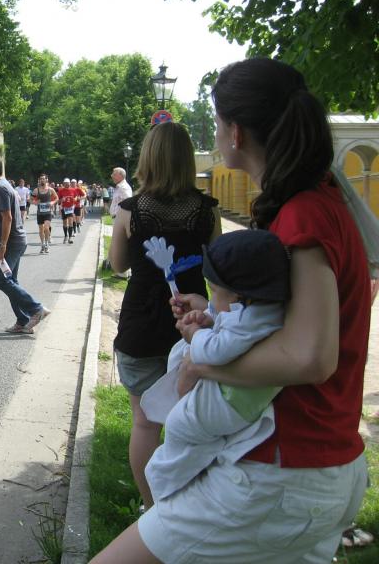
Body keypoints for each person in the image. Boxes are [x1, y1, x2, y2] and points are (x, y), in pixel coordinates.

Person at [93, 58, 371, 564]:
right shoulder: (319, 201)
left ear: (235, 132)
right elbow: (290, 327)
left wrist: (203, 361)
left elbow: (310, 357)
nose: (217, 134)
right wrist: (221, 318)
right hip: (312, 464)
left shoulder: (302, 215)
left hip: (279, 469)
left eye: (218, 123)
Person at [105, 121, 221, 512]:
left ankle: (153, 508)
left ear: (148, 159)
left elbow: (117, 265)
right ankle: (192, 504)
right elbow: (219, 273)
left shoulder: (130, 211)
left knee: (145, 422)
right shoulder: (207, 211)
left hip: (141, 323)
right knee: (195, 421)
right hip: (193, 325)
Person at [140, 229, 289, 503]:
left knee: (180, 429)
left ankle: (164, 494)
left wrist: (195, 334)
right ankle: (177, 482)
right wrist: (210, 317)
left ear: (239, 297)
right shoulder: (259, 311)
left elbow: (217, 350)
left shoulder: (250, 320)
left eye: (214, 291)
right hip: (233, 400)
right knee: (190, 436)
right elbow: (229, 329)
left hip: (229, 404)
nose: (211, 298)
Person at [0, 157, 49, 333]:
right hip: (14, 240)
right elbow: (3, 219)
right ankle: (23, 320)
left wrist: (2, 245)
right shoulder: (5, 186)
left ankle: (36, 309)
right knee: (11, 281)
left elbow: (7, 217)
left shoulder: (0, 188)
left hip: (11, 243)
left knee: (1, 280)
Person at [32, 175, 58, 254]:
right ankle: (42, 244)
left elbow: (57, 198)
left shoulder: (50, 189)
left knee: (46, 228)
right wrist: (34, 202)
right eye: (41, 179)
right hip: (40, 213)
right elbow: (30, 199)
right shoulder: (36, 190)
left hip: (48, 212)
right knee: (41, 229)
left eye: (43, 179)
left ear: (46, 180)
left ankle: (46, 244)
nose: (42, 180)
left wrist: (52, 202)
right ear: (39, 180)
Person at [57, 178, 76, 244]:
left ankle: (70, 238)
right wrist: (61, 200)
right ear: (63, 184)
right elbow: (58, 201)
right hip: (64, 208)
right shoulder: (61, 191)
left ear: (69, 183)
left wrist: (75, 199)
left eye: (67, 184)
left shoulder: (73, 190)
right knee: (65, 223)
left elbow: (76, 197)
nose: (66, 185)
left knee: (70, 222)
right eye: (65, 184)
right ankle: (65, 236)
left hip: (70, 208)